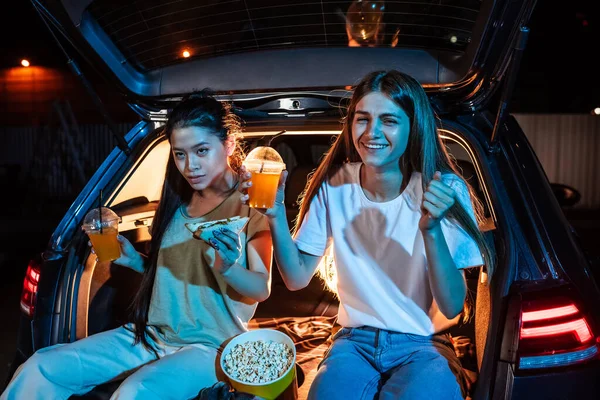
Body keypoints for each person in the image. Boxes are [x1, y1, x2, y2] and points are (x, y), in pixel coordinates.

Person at [239, 70, 494, 399]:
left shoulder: (443, 188)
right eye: (363, 119)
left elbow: (451, 305)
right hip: (353, 342)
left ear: (412, 126)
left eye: (389, 120)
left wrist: (431, 229)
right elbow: (296, 278)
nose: (372, 132)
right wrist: (274, 215)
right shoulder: (335, 184)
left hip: (424, 344)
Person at [2, 92, 272, 400]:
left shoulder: (251, 207)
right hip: (150, 334)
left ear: (229, 145)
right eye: (180, 154)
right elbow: (176, 275)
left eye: (201, 151)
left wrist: (227, 267)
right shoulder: (177, 201)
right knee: (40, 367)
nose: (190, 165)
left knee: (134, 393)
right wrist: (135, 262)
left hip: (212, 347)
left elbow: (261, 289)